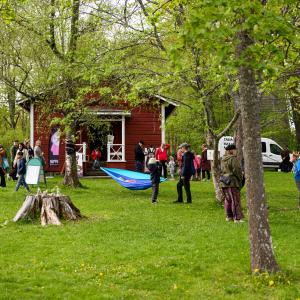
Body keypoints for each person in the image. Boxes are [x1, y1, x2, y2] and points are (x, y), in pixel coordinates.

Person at [220, 144, 244, 223]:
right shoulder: (233, 158)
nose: (236, 151)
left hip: (224, 181)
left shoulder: (222, 158)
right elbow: (237, 170)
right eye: (235, 150)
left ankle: (229, 216)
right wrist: (241, 178)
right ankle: (237, 218)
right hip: (232, 182)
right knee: (235, 200)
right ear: (231, 150)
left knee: (228, 200)